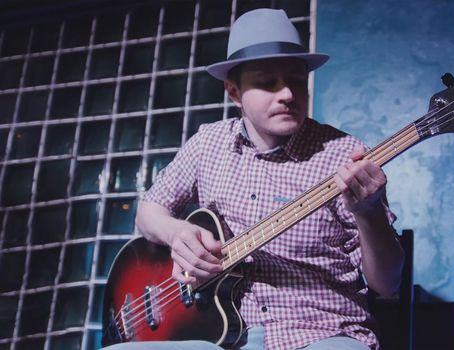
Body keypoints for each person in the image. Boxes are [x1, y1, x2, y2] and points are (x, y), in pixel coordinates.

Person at [106, 8, 403, 350]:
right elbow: (148, 213)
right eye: (266, 82)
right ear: (234, 93)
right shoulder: (208, 143)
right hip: (213, 336)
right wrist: (178, 235)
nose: (288, 94)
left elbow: (387, 284)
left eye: (295, 79)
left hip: (322, 332)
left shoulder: (345, 154)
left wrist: (369, 213)